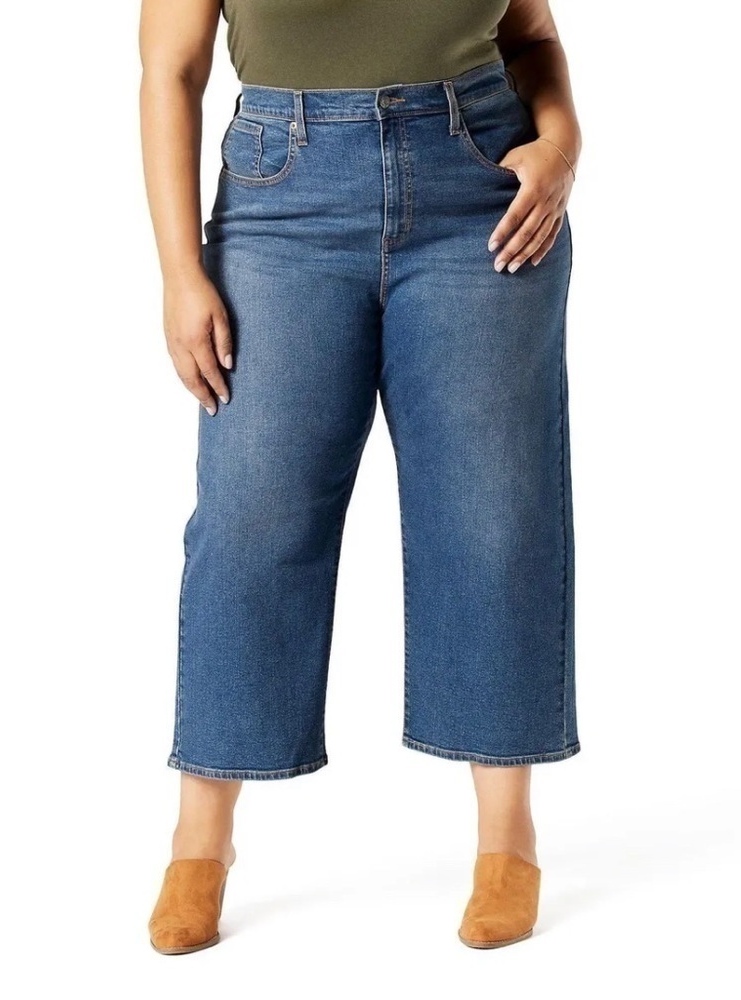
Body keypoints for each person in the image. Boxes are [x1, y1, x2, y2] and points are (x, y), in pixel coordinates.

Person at [139, 0, 581, 952]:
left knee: (494, 514)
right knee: (251, 518)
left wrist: (562, 146)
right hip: (282, 201)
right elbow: (172, 70)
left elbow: (532, 38)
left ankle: (508, 840)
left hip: (481, 192)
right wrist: (180, 270)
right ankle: (198, 843)